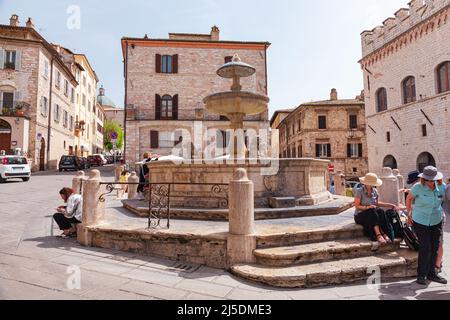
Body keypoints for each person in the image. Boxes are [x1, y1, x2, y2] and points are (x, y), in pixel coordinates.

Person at [406, 166, 447, 285]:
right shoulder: (417, 187)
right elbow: (409, 199)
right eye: (427, 179)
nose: (429, 182)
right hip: (420, 220)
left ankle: (432, 273)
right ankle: (421, 275)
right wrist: (409, 214)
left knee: (435, 247)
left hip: (436, 219)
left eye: (431, 179)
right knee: (425, 248)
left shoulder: (442, 187)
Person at [354, 173, 399, 245]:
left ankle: (384, 234)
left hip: (371, 214)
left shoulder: (375, 191)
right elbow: (357, 206)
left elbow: (377, 203)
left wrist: (390, 205)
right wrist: (368, 207)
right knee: (372, 211)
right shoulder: (360, 191)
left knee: (380, 211)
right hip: (360, 215)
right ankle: (379, 234)